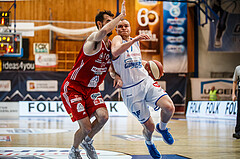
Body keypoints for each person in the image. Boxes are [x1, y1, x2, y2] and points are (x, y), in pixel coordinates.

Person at [60, 1, 126, 159]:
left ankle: (87, 142)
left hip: (91, 90)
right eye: (109, 22)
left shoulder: (110, 46)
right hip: (73, 88)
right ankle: (74, 150)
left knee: (103, 117)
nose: (112, 25)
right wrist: (121, 16)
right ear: (99, 23)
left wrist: (115, 75)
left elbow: (109, 68)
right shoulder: (93, 40)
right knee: (87, 127)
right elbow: (103, 32)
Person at [111, 19, 175, 159]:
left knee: (169, 107)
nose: (123, 28)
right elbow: (115, 52)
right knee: (149, 127)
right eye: (119, 27)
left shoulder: (136, 41)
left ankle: (162, 128)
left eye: (126, 26)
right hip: (130, 91)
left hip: (145, 81)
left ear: (130, 27)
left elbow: (136, 61)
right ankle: (149, 142)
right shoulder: (116, 41)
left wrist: (150, 65)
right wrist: (116, 75)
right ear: (116, 30)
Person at [232, 65, 240, 139]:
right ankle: (238, 131)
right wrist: (233, 94)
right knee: (239, 111)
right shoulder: (238, 68)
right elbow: (234, 81)